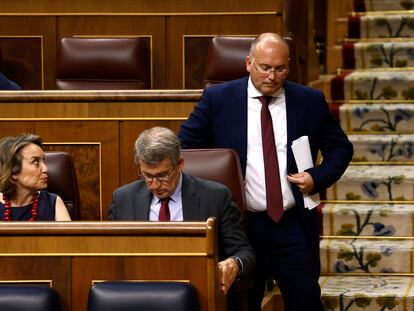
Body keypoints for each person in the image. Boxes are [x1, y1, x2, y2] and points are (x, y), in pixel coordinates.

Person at [179, 33, 354, 310]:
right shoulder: (219, 99)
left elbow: (341, 149)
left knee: (306, 302)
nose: (272, 76)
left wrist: (316, 178)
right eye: (264, 67)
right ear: (249, 63)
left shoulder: (309, 101)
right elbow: (185, 149)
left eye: (280, 69)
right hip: (241, 227)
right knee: (243, 305)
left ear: (288, 68)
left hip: (293, 223)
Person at [108, 126, 255, 302]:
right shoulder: (123, 198)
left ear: (179, 164)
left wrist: (234, 264)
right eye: (147, 175)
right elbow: (110, 256)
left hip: (196, 294)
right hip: (139, 294)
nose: (154, 185)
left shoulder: (215, 196)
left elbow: (244, 253)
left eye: (162, 175)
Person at [0, 134, 71, 221]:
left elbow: (68, 234)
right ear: (13, 172)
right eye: (35, 162)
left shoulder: (53, 202)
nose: (45, 169)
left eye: (44, 161)